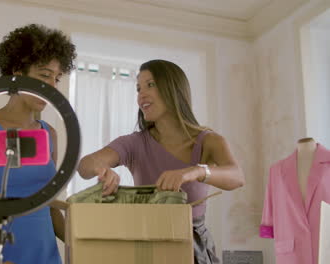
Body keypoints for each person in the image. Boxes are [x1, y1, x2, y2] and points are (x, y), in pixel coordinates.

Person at [77, 59, 245, 264]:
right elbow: (84, 166)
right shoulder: (134, 144)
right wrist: (101, 169)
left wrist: (195, 171)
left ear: (173, 88)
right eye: (138, 89)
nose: (141, 95)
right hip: (149, 248)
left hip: (194, 253)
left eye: (150, 85)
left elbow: (237, 177)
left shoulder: (209, 141)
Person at [0, 24, 76, 264]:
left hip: (47, 257)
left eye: (56, 79)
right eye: (44, 76)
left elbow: (50, 207)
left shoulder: (49, 134)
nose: (52, 87)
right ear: (17, 73)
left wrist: (86, 245)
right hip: (4, 257)